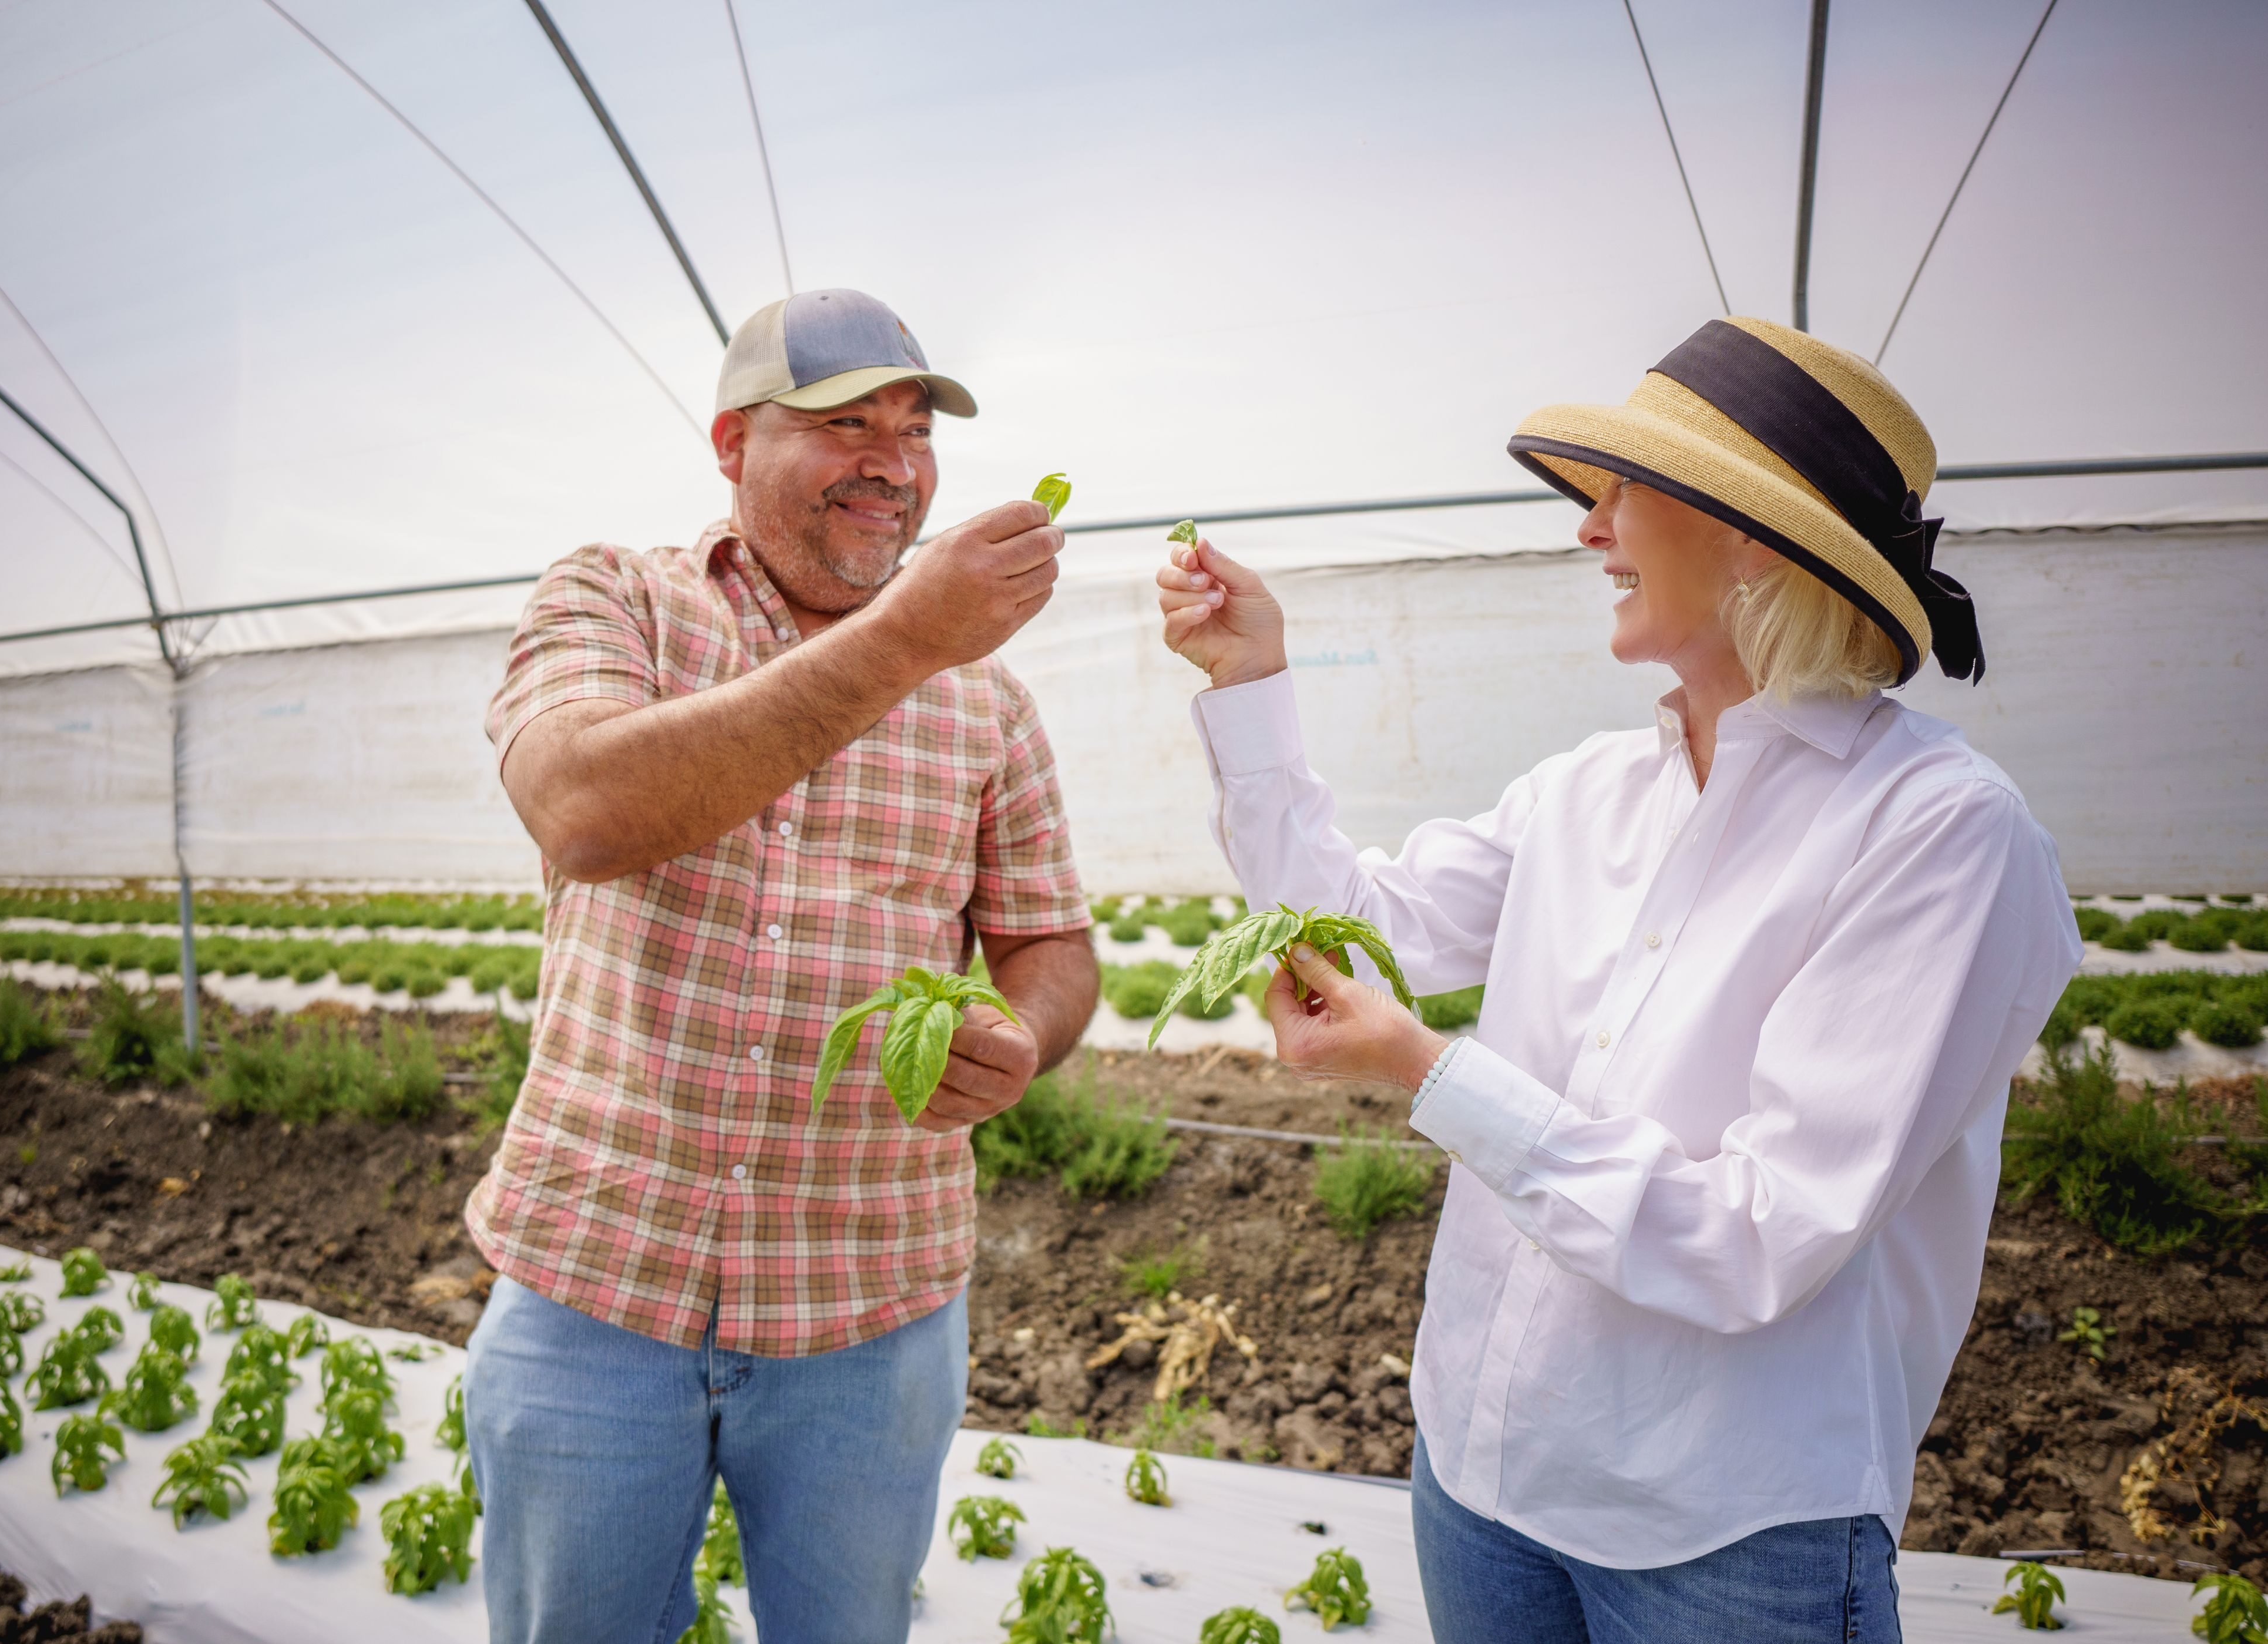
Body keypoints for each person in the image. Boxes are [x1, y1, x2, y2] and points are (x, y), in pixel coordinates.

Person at [1157, 317, 2079, 1641]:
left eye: (1624, 491)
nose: (1592, 529)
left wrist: (1428, 1072)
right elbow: (1349, 927)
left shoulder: (1940, 832)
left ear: (1756, 529)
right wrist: (1251, 680)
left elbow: (1765, 1231)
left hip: (1726, 1532)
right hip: (1481, 1471)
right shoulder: (1586, 790)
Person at [464, 288, 1100, 1643]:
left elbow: (1050, 940)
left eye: (915, 428)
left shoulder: (990, 701)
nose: (895, 459)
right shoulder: (617, 596)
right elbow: (583, 809)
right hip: (600, 1284)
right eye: (844, 423)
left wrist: (1024, 1032)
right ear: (731, 442)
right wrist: (907, 640)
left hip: (869, 1303)